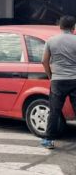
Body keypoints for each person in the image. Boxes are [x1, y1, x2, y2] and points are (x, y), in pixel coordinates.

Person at [40, 15, 76, 149]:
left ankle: (49, 140)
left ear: (60, 27)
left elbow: (44, 61)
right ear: (73, 27)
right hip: (75, 79)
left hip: (58, 81)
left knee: (54, 111)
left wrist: (51, 76)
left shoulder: (51, 41)